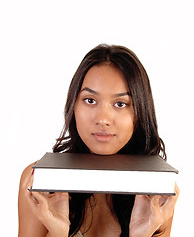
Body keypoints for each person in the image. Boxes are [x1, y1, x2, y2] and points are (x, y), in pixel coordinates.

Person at [18, 44, 179, 237]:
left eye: (120, 104)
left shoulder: (155, 189)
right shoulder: (42, 183)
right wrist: (57, 232)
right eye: (90, 100)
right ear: (73, 105)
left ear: (140, 112)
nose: (103, 119)